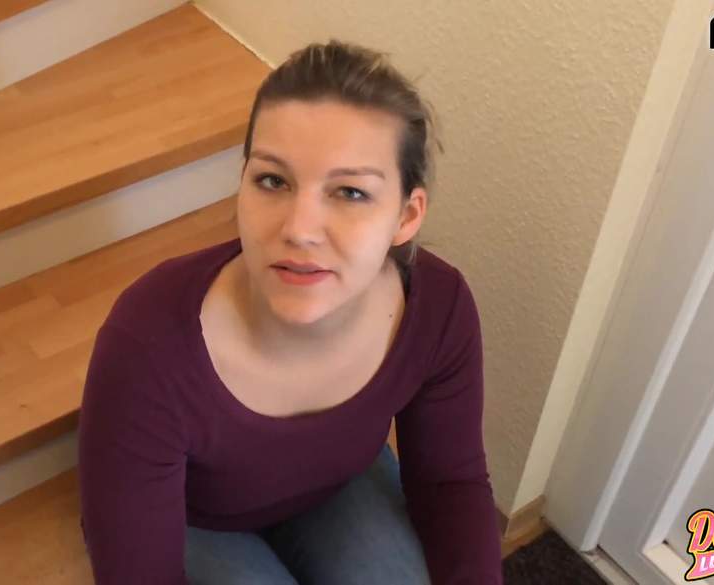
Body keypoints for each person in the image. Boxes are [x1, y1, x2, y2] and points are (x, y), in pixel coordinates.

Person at [78, 39, 503, 584]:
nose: (299, 230)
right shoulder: (147, 343)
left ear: (406, 216)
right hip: (193, 515)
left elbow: (449, 485)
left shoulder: (437, 308)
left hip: (336, 485)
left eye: (350, 192)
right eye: (273, 181)